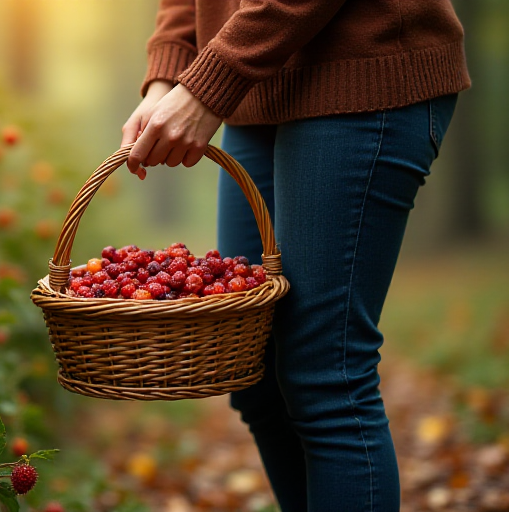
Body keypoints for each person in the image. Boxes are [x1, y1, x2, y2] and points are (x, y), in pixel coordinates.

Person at [122, 1, 470, 511]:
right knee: (253, 370)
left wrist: (207, 82)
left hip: (359, 74)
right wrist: (167, 76)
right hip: (257, 92)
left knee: (325, 376)